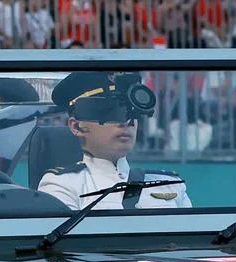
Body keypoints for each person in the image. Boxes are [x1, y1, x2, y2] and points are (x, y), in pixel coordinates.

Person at [37, 72, 192, 209]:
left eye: (132, 112)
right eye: (109, 112)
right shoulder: (63, 185)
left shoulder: (169, 184)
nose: (125, 122)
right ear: (76, 126)